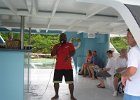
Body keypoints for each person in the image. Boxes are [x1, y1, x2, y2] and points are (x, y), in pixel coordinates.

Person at [51, 33, 77, 100]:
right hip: (58, 67)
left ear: (66, 38)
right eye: (61, 37)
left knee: (70, 82)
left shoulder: (69, 45)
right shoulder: (56, 45)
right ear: (60, 38)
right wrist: (56, 48)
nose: (63, 38)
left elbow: (73, 52)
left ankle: (72, 96)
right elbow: (52, 54)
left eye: (64, 37)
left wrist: (68, 56)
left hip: (68, 67)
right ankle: (56, 95)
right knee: (56, 82)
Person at [121, 29, 140, 100]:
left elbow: (132, 69)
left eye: (128, 37)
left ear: (135, 37)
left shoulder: (134, 50)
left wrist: (124, 75)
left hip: (133, 91)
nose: (127, 39)